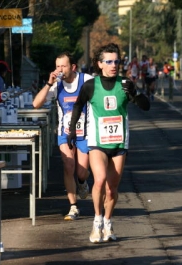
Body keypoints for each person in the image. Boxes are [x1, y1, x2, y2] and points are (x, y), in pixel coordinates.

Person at [67, 43, 150, 243]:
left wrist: (135, 93)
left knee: (112, 189)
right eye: (109, 61)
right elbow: (78, 106)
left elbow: (145, 106)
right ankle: (96, 222)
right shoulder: (90, 85)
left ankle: (108, 221)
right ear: (99, 64)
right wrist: (72, 129)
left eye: (116, 61)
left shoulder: (124, 83)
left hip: (120, 144)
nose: (114, 65)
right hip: (97, 142)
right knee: (99, 179)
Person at [33, 52, 93, 221]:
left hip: (84, 133)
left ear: (72, 67)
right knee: (68, 166)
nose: (59, 70)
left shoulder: (86, 80)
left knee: (82, 172)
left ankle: (82, 182)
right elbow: (36, 104)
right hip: (64, 133)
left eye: (63, 66)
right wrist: (48, 83)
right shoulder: (56, 84)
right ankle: (73, 207)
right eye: (57, 66)